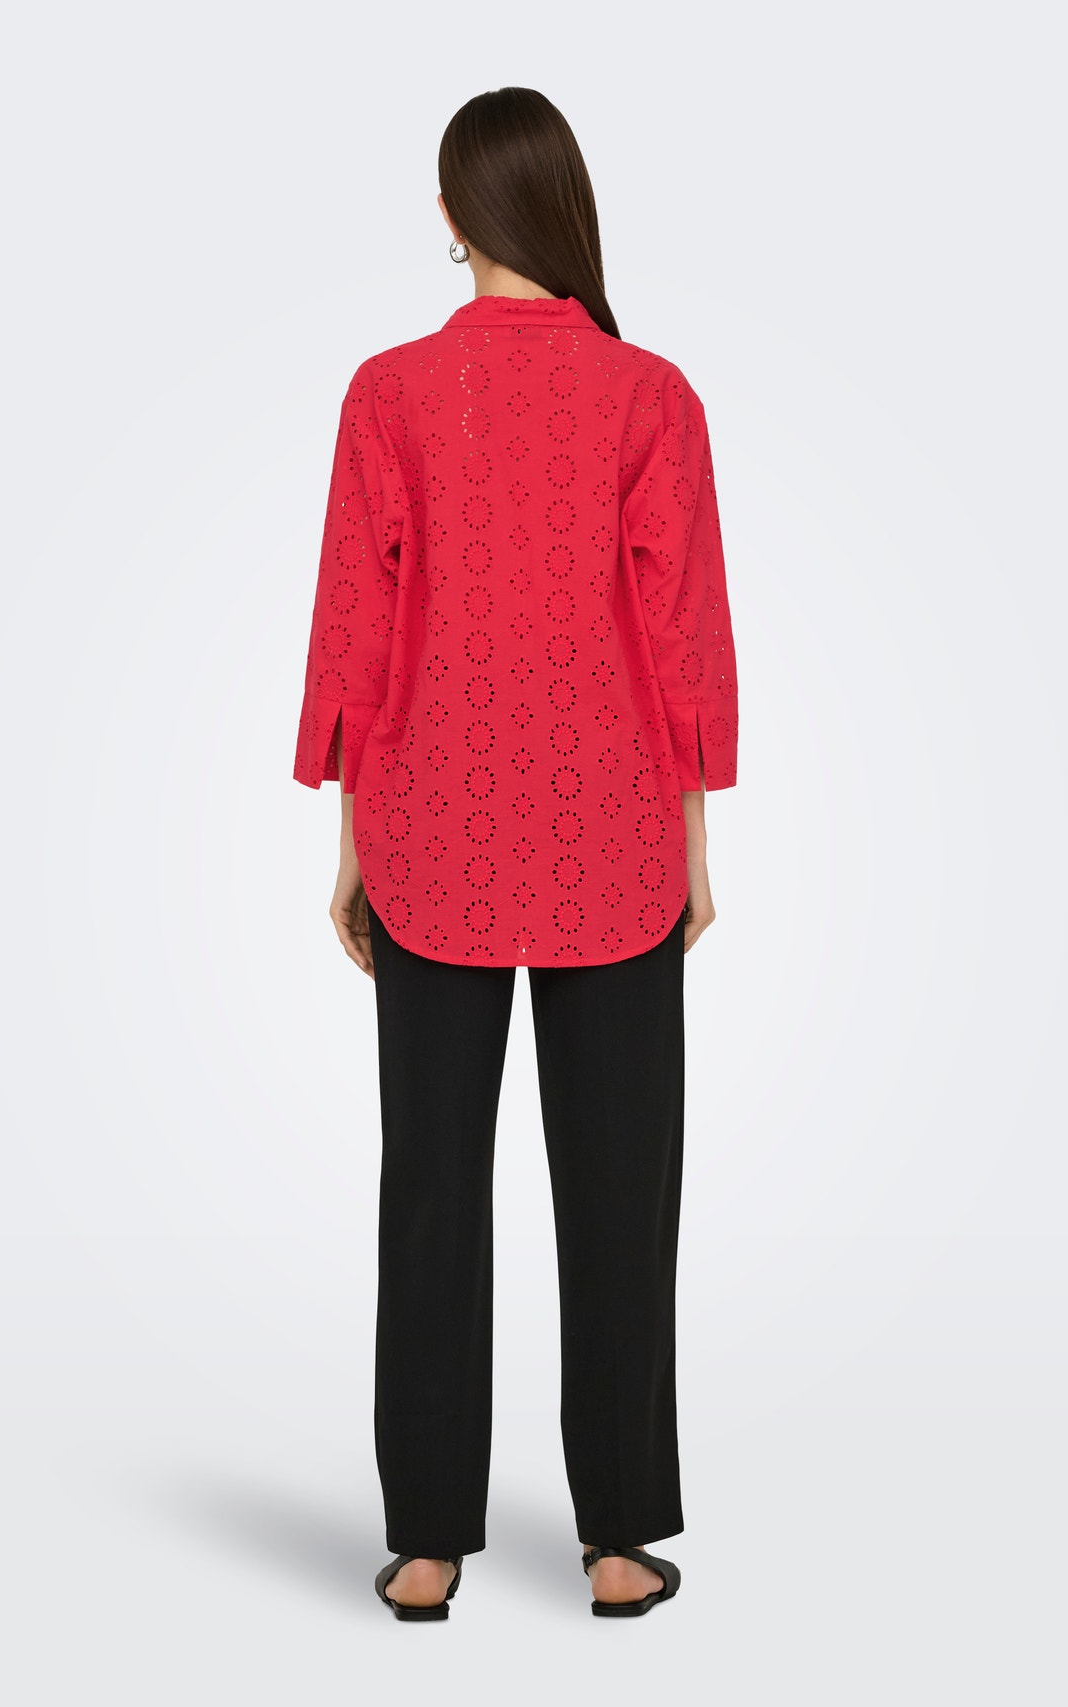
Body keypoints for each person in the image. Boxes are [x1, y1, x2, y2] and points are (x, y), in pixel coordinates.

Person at [292, 86, 738, 1619]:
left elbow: (357, 626)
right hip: (616, 830)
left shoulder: (389, 393)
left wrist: (351, 839)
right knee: (621, 1188)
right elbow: (683, 636)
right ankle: (616, 1542)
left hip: (429, 830)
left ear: (449, 215)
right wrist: (695, 843)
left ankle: (426, 1546)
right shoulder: (650, 395)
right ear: (565, 206)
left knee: (430, 1187)